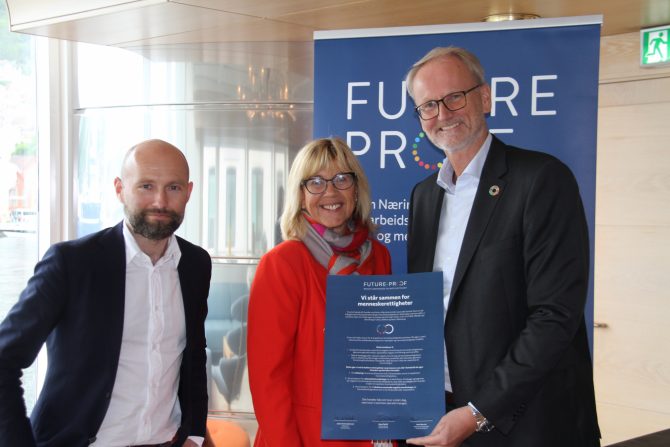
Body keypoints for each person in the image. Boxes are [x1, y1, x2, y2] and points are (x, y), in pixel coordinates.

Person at [403, 47, 601, 447]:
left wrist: (479, 411)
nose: (443, 114)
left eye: (454, 97)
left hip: (527, 424)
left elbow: (554, 315)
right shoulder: (424, 196)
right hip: (441, 414)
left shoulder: (542, 180)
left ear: (485, 97)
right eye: (428, 106)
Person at [0, 139, 211, 446]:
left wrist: (193, 432)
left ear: (189, 192)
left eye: (174, 188)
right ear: (119, 189)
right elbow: (4, 360)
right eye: (146, 186)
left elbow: (192, 354)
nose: (160, 201)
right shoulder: (71, 264)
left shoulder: (195, 264)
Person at [247, 137, 396, 447]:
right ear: (301, 196)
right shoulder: (281, 264)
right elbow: (268, 380)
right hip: (302, 436)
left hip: (368, 432)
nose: (330, 191)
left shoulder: (378, 255)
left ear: (356, 189)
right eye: (315, 182)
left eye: (342, 179)